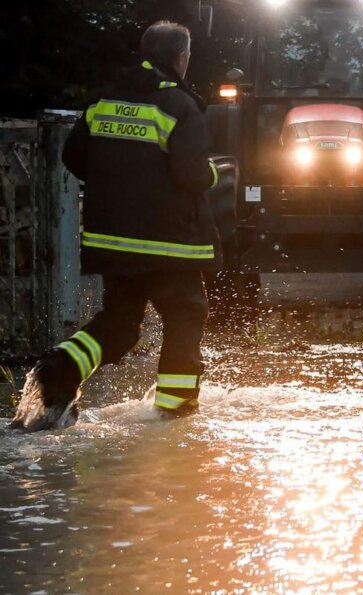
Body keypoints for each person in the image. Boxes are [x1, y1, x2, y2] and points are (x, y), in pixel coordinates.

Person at [10, 21, 220, 431]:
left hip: (114, 240)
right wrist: (216, 172)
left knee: (121, 325)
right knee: (185, 313)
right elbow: (194, 175)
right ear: (182, 58)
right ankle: (175, 412)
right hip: (168, 243)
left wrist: (120, 184)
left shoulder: (105, 98)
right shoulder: (179, 105)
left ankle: (62, 366)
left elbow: (74, 156)